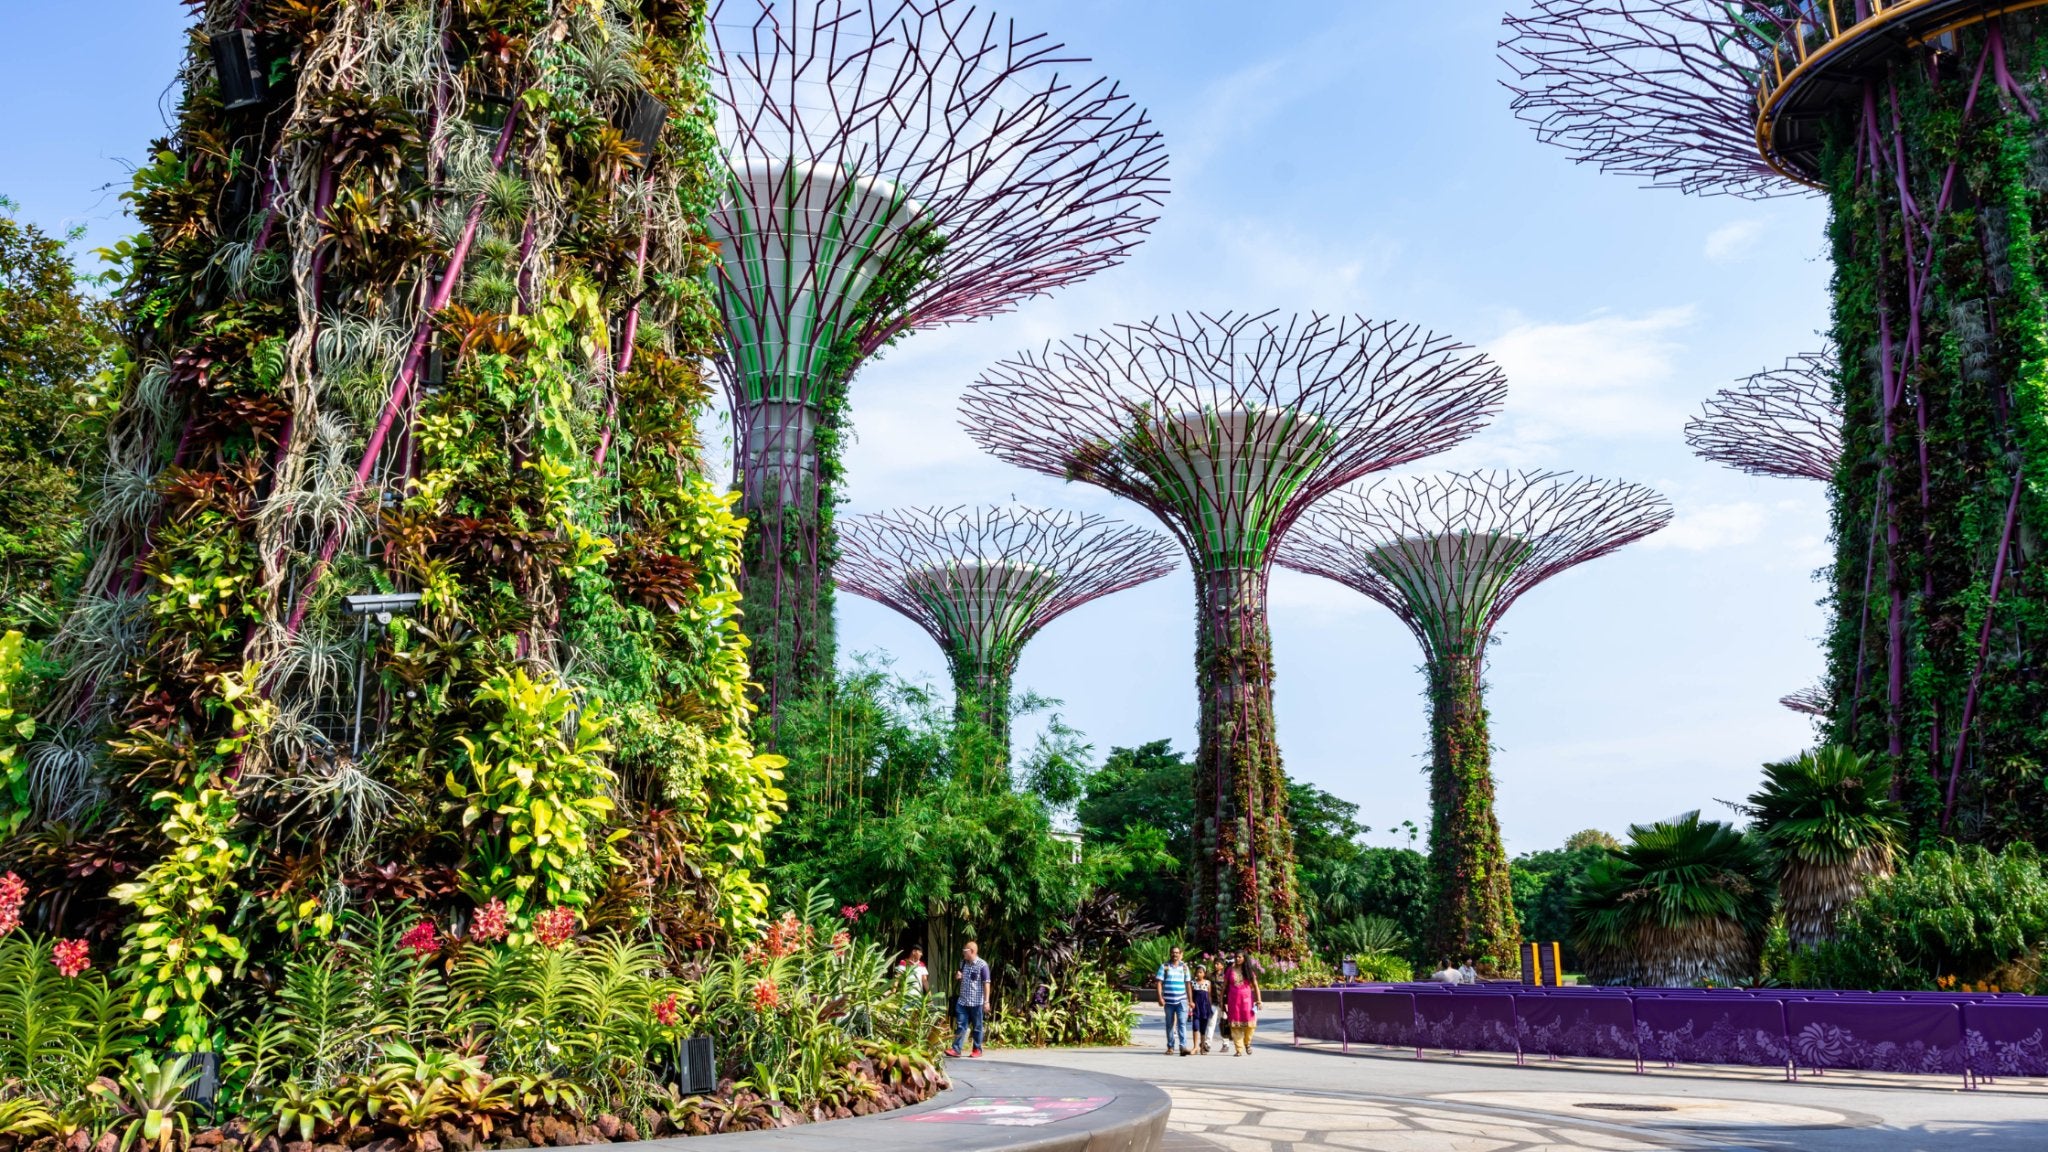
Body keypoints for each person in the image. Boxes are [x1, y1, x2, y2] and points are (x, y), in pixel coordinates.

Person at [946, 941, 991, 1058]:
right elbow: (961, 977)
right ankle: (956, 1049)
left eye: (965, 951)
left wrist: (986, 1001)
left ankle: (977, 1049)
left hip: (977, 1002)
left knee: (977, 1027)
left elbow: (987, 983)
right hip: (963, 1001)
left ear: (972, 951)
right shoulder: (963, 963)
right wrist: (958, 977)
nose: (963, 953)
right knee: (961, 1025)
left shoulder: (982, 965)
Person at [1153, 945, 1192, 1056]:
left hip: (1182, 1000)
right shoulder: (1164, 967)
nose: (1175, 955)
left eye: (1177, 953)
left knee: (1182, 1023)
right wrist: (1160, 997)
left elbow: (1188, 984)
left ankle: (1183, 1047)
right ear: (1170, 954)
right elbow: (1159, 983)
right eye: (1173, 952)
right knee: (1169, 1024)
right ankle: (1170, 1047)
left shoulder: (1184, 967)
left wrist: (1191, 1000)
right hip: (1168, 1001)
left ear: (1180, 954)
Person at [1222, 954, 1262, 1056]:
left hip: (1247, 1001)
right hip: (1233, 1002)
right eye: (1236, 957)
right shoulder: (1230, 970)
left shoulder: (1248, 970)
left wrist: (1259, 1001)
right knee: (1235, 1026)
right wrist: (1221, 1000)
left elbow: (1256, 986)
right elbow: (1224, 986)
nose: (1238, 959)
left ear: (1244, 958)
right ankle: (1239, 1049)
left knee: (1250, 1025)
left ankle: (1247, 1043)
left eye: (1240, 957)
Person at [1190, 964, 1215, 1054]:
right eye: (1197, 972)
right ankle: (1195, 1047)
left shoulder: (1207, 983)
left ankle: (1202, 1047)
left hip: (1205, 1007)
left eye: (1201, 972)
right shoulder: (1192, 983)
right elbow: (1191, 995)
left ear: (1204, 973)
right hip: (1196, 1007)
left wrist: (1210, 1006)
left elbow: (1209, 996)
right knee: (1195, 1026)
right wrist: (1190, 1005)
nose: (1199, 974)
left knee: (1203, 1028)